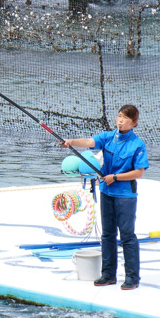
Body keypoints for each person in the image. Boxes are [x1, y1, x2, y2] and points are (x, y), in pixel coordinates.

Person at [62, 105, 149, 290]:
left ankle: (132, 277)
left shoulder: (138, 144)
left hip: (125, 195)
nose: (120, 120)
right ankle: (108, 274)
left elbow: (139, 172)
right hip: (107, 193)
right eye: (119, 116)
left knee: (127, 235)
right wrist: (71, 141)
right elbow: (88, 142)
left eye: (125, 118)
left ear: (134, 123)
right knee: (108, 234)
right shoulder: (108, 137)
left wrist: (115, 177)